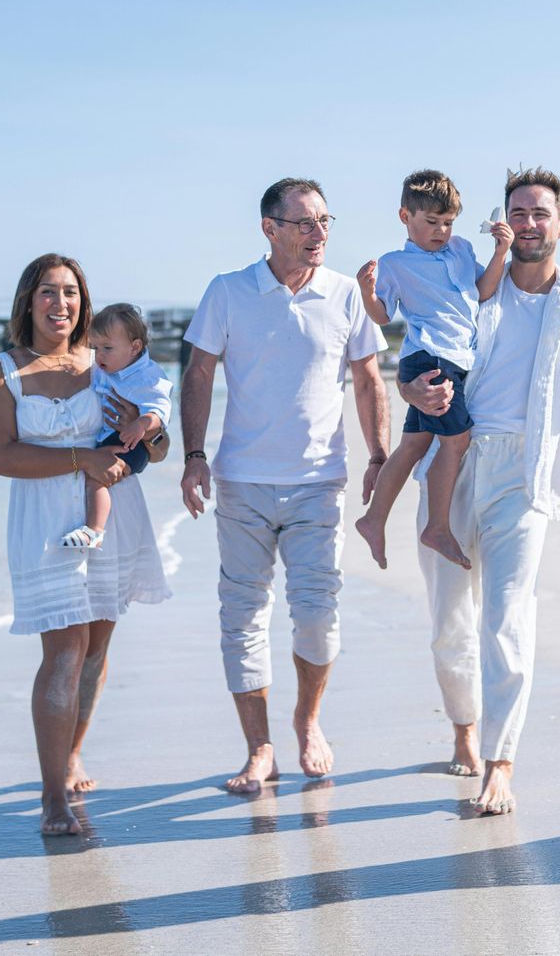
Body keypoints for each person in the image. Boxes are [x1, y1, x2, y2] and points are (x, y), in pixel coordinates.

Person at [401, 167, 560, 815]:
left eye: (540, 212)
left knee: (507, 618)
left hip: (525, 476)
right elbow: (414, 362)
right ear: (504, 222)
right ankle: (465, 727)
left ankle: (500, 762)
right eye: (518, 212)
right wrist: (410, 390)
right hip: (452, 460)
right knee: (450, 623)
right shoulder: (471, 288)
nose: (530, 223)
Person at [179, 178, 393, 794]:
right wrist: (194, 456)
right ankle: (259, 748)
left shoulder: (345, 294)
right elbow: (197, 373)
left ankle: (307, 720)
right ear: (270, 229)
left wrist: (379, 453)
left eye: (325, 221)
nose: (318, 233)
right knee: (242, 617)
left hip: (318, 482)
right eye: (304, 223)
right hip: (242, 480)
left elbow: (368, 379)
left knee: (318, 617)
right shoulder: (228, 292)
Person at [0, 254, 171, 836]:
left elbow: (152, 449)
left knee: (95, 648)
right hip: (44, 522)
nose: (60, 304)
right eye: (47, 293)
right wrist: (83, 456)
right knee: (62, 650)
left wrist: (146, 431)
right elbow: (0, 457)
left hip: (113, 512)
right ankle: (53, 794)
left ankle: (73, 752)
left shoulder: (105, 363)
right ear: (27, 302)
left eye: (71, 294)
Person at [353, 168, 512, 572]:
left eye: (447, 223)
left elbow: (482, 291)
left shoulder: (459, 250)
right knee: (456, 442)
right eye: (431, 222)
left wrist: (499, 254)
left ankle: (373, 519)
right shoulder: (394, 263)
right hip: (432, 358)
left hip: (453, 359)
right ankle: (437, 527)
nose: (440, 231)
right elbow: (383, 316)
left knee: (413, 446)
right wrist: (367, 292)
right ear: (405, 216)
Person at [62, 304, 171, 550]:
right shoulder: (108, 366)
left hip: (131, 445)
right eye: (95, 348)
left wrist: (142, 424)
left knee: (95, 480)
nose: (99, 355)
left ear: (135, 347)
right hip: (114, 439)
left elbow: (160, 410)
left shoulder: (147, 377)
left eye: (107, 349)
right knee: (94, 479)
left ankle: (94, 530)